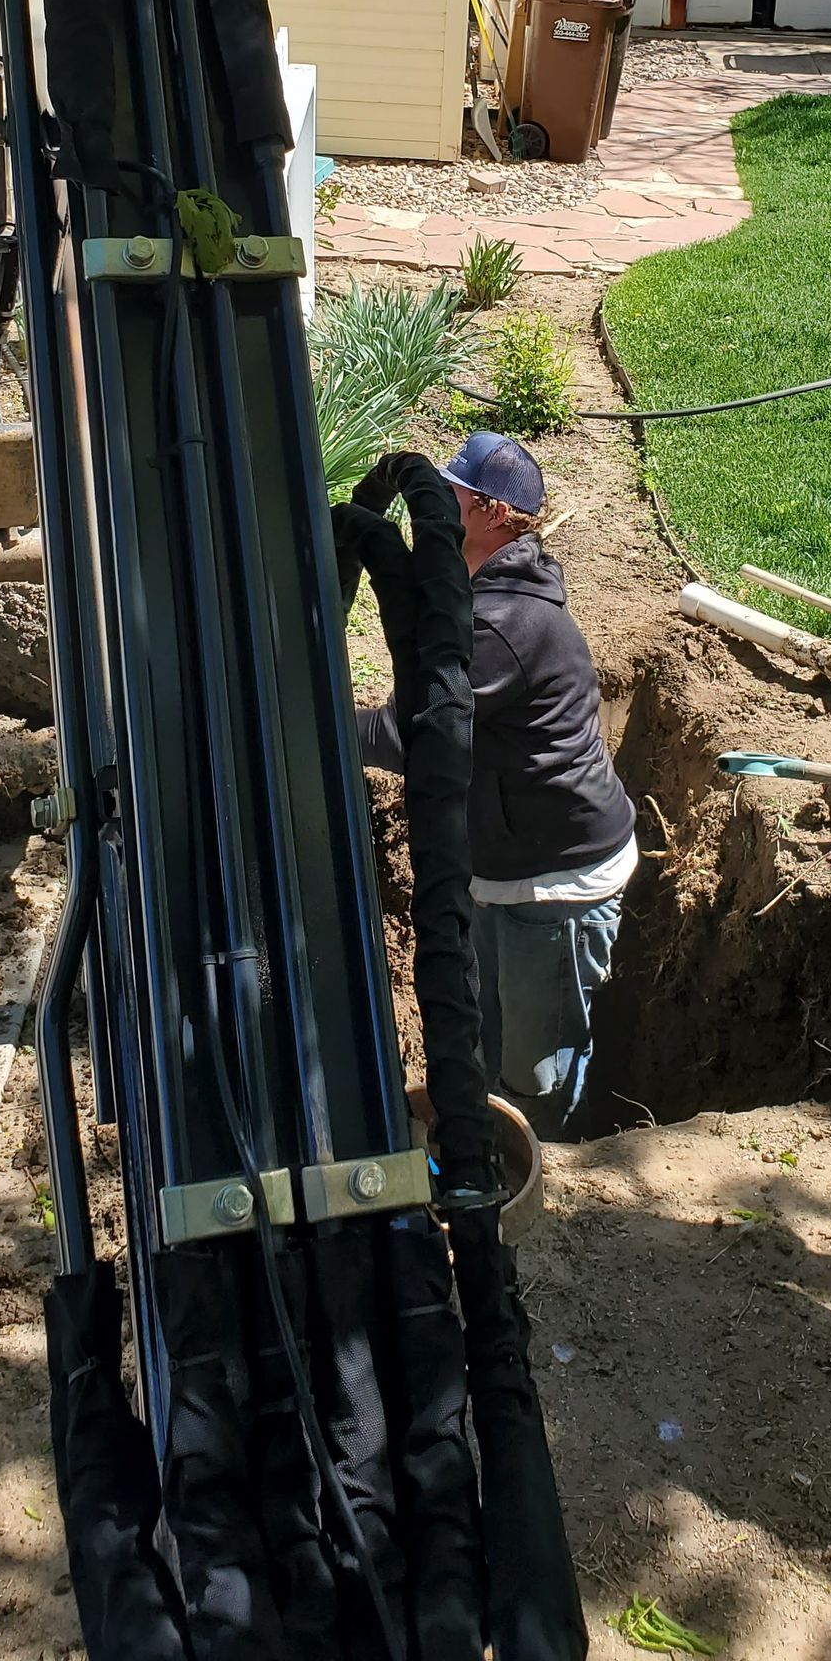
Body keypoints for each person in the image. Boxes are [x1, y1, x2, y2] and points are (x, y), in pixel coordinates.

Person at [358, 431, 637, 1138]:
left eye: (445, 496)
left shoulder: (506, 626)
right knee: (484, 1046)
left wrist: (317, 724)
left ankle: (552, 1174)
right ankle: (489, 1141)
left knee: (537, 1072)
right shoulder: (486, 596)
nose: (429, 512)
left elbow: (418, 731)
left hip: (556, 884)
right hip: (503, 867)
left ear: (486, 512)